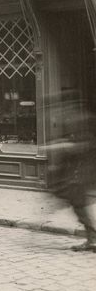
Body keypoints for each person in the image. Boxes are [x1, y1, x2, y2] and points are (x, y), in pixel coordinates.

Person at [45, 90, 96, 252]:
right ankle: (92, 238)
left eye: (64, 105)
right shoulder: (71, 119)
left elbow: (82, 145)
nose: (62, 108)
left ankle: (92, 239)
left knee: (79, 203)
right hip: (76, 170)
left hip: (83, 169)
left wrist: (58, 146)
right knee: (78, 204)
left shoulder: (83, 119)